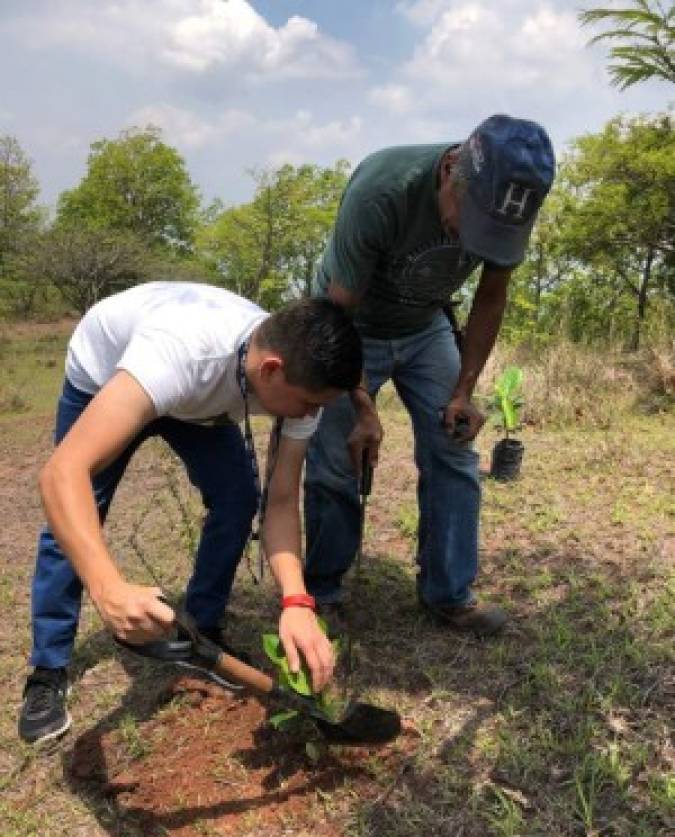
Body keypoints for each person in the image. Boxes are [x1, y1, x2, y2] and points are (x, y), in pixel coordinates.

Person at [19, 281, 362, 744]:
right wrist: (107, 587)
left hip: (198, 402)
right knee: (79, 512)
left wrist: (297, 601)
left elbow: (280, 501)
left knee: (238, 498)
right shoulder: (182, 354)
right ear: (272, 370)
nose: (309, 414)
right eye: (307, 404)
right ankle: (47, 671)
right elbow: (62, 474)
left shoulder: (298, 379)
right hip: (108, 374)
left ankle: (204, 629)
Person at [304, 114, 555, 635]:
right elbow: (337, 313)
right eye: (469, 220)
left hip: (426, 326)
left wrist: (464, 389)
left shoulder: (513, 204)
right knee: (334, 461)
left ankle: (448, 594)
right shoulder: (383, 189)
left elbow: (491, 296)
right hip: (349, 325)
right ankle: (322, 591)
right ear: (449, 172)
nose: (470, 238)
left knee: (454, 452)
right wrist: (364, 409)